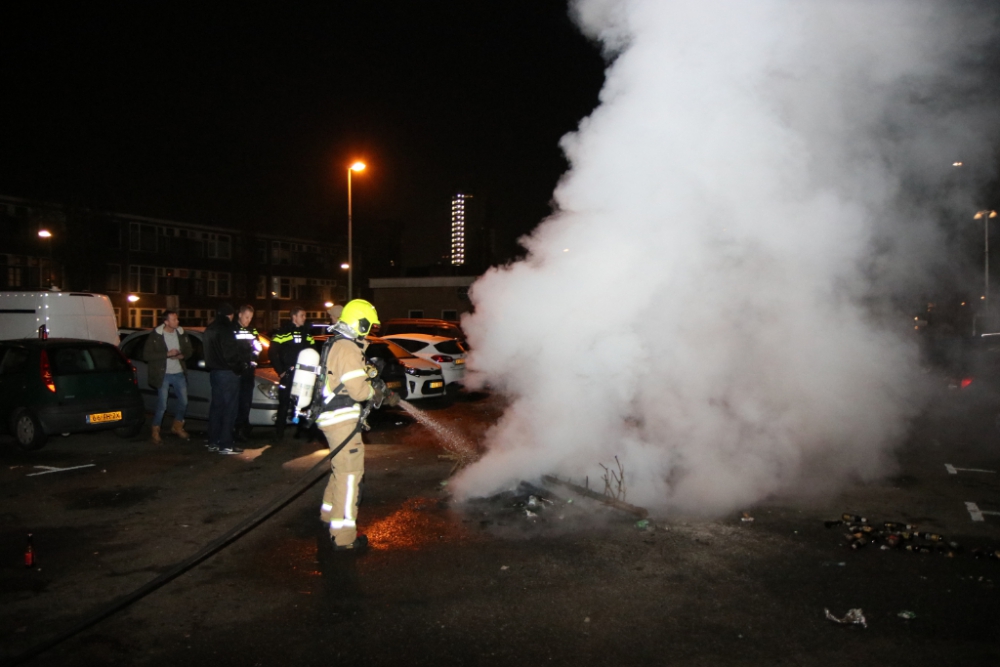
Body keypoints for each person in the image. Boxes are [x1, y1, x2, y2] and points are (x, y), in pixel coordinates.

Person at [315, 299, 384, 552]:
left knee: (339, 470)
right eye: (369, 326)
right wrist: (374, 392)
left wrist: (370, 373)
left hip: (332, 419)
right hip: (342, 421)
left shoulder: (339, 343)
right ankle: (343, 538)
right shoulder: (347, 347)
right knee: (350, 476)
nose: (369, 331)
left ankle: (327, 514)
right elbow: (357, 390)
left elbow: (350, 376)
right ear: (360, 321)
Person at [143, 310, 193, 444]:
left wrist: (182, 356)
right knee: (162, 404)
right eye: (174, 319)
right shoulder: (156, 335)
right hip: (163, 374)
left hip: (178, 372)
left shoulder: (181, 333)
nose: (177, 321)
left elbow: (189, 350)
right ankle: (155, 429)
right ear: (166, 322)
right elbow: (146, 355)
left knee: (184, 402)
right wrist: (167, 354)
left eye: (177, 319)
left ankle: (177, 426)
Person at [204, 302, 246, 455]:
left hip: (214, 373)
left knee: (216, 408)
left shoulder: (210, 328)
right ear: (231, 315)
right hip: (228, 373)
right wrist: (239, 368)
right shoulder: (227, 329)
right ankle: (226, 444)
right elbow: (230, 354)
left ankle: (213, 442)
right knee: (230, 409)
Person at [270, 306, 314, 440]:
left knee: (303, 402)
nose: (304, 318)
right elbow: (272, 352)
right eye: (302, 315)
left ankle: (300, 431)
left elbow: (313, 351)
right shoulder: (283, 332)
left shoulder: (306, 332)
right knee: (284, 403)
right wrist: (281, 371)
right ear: (294, 317)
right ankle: (279, 433)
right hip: (288, 374)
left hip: (304, 375)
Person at [233, 304, 261, 442]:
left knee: (246, 401)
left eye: (250, 318)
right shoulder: (233, 330)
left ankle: (243, 425)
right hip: (237, 371)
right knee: (237, 401)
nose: (248, 320)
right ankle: (237, 428)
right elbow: (230, 350)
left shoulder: (252, 330)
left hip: (249, 371)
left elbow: (258, 346)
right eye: (246, 317)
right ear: (240, 315)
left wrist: (254, 359)